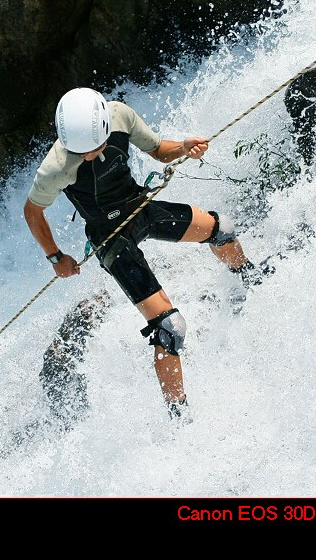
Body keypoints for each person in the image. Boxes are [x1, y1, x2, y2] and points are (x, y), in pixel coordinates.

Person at [23, 86, 266, 419]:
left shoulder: (119, 116)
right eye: (83, 152)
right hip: (109, 238)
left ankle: (252, 280)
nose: (91, 156)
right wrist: (55, 257)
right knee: (171, 326)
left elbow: (158, 150)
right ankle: (179, 415)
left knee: (220, 228)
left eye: (96, 147)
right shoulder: (55, 167)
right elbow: (32, 211)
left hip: (138, 208)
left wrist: (183, 147)